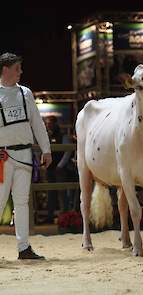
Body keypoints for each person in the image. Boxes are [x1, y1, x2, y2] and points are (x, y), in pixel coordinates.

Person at [0, 52, 52, 259]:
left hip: (24, 155)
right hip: (2, 157)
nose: (20, 72)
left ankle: (24, 248)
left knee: (22, 202)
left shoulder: (25, 93)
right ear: (5, 69)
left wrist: (46, 149)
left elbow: (37, 122)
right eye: (17, 68)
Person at [44, 115, 74, 223]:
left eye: (50, 123)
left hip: (60, 169)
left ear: (55, 123)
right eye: (47, 123)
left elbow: (68, 151)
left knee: (62, 193)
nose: (48, 125)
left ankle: (64, 216)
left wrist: (60, 165)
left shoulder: (63, 136)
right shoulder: (45, 136)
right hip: (50, 168)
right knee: (50, 193)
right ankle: (50, 216)